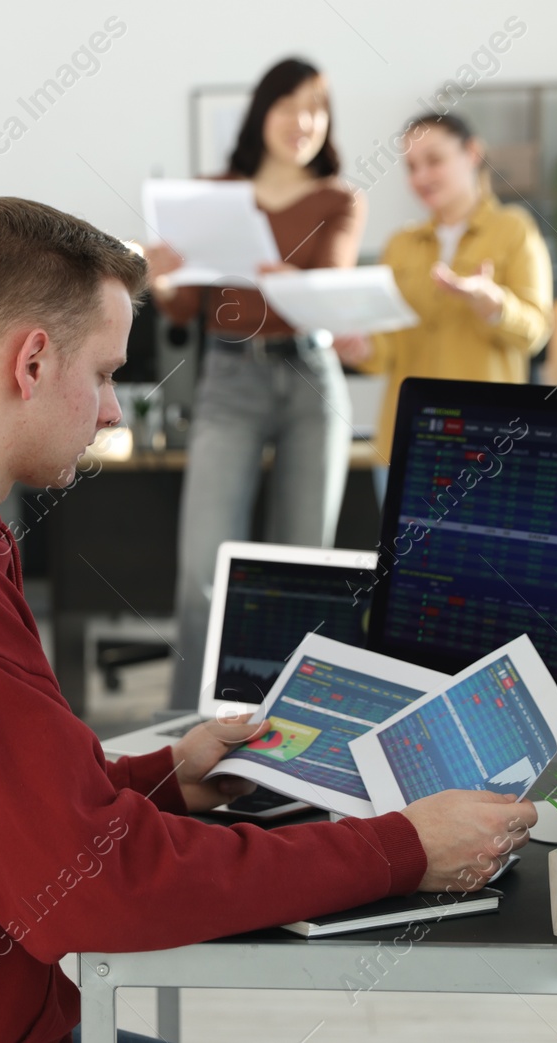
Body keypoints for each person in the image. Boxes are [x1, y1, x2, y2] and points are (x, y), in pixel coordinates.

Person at [0, 196, 536, 1042]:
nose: (115, 410)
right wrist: (403, 846)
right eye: (107, 373)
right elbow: (94, 887)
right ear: (32, 361)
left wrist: (165, 779)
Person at [151, 58, 364, 711]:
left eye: (316, 109)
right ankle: (187, 729)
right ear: (261, 113)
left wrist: (287, 285)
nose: (303, 121)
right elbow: (184, 307)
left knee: (304, 568)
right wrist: (160, 277)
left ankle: (291, 728)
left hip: (310, 377)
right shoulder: (213, 192)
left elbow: (328, 294)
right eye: (289, 105)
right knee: (204, 568)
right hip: (230, 374)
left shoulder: (339, 198)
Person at [332, 113, 552, 499]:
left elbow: (535, 333)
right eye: (412, 167)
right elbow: (387, 349)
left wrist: (493, 303)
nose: (421, 177)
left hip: (485, 443)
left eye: (434, 161)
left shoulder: (514, 229)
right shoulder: (400, 244)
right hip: (407, 439)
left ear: (472, 153)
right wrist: (361, 348)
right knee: (400, 560)